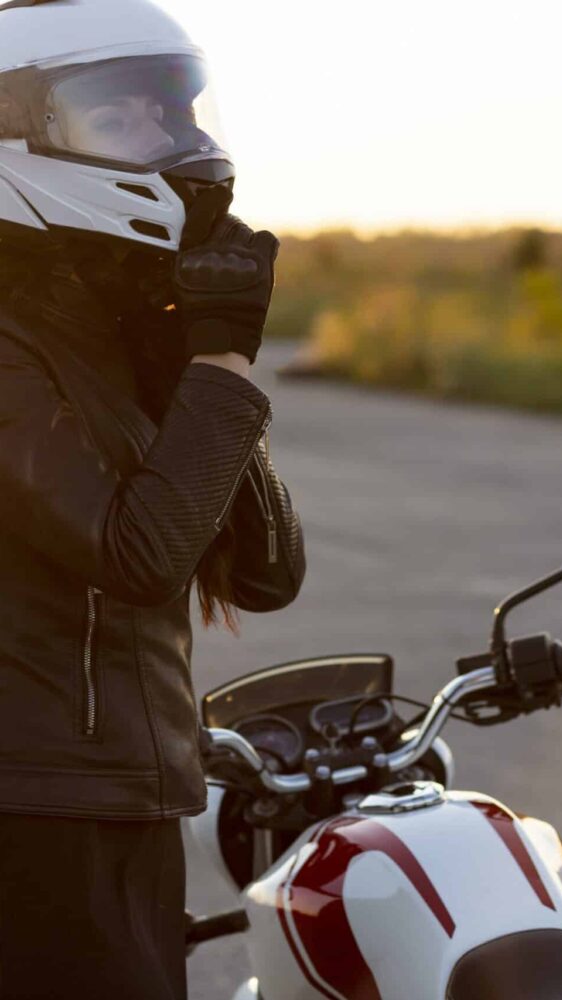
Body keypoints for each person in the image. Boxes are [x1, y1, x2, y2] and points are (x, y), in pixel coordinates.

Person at [0, 0, 306, 996]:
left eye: (174, 112)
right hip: (35, 811)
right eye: (125, 117)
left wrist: (186, 354)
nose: (178, 143)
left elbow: (265, 572)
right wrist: (218, 362)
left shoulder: (96, 325)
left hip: (122, 794)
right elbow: (138, 555)